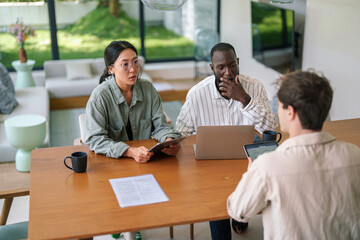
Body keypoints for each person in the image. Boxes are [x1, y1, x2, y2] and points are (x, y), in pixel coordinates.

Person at [227, 70, 360, 239]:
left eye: (279, 106)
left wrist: (250, 173)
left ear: (290, 112)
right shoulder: (355, 155)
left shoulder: (267, 166)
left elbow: (238, 210)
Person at [176, 42, 277, 239]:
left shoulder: (254, 88)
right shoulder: (197, 94)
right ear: (212, 68)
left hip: (246, 160)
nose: (228, 73)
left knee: (253, 185)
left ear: (238, 63)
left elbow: (271, 128)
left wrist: (245, 100)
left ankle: (240, 215)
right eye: (221, 67)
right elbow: (182, 132)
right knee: (217, 203)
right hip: (212, 164)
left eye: (232, 65)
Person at [85, 40, 182, 240]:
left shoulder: (147, 88)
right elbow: (94, 139)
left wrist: (170, 140)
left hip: (145, 162)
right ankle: (125, 221)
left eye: (136, 62)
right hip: (113, 164)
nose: (133, 69)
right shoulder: (100, 96)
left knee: (178, 187)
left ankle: (132, 220)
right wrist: (129, 151)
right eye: (125, 64)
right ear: (111, 69)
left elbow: (161, 125)